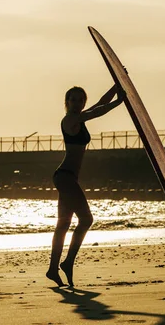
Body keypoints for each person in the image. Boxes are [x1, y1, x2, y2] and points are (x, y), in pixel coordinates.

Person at [46, 84, 124, 287]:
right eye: (73, 99)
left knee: (63, 224)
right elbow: (99, 111)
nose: (77, 103)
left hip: (68, 177)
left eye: (81, 100)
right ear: (67, 102)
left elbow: (99, 104)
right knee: (87, 219)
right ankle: (68, 262)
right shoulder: (70, 120)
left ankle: (54, 269)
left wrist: (116, 87)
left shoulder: (81, 117)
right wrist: (119, 101)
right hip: (65, 177)